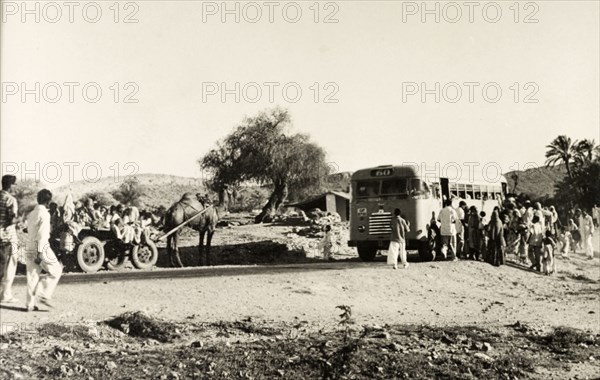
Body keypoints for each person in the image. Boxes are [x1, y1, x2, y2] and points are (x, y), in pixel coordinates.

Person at [25, 189, 63, 311]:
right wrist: (40, 253)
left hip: (29, 245)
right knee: (56, 270)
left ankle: (29, 304)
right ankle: (43, 293)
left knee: (32, 275)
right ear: (48, 202)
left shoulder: (31, 214)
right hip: (41, 247)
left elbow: (28, 229)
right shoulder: (45, 214)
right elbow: (42, 235)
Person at [0, 175, 20, 304]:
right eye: (14, 184)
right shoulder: (10, 200)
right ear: (10, 185)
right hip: (8, 237)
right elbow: (11, 220)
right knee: (10, 266)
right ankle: (5, 295)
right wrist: (20, 220)